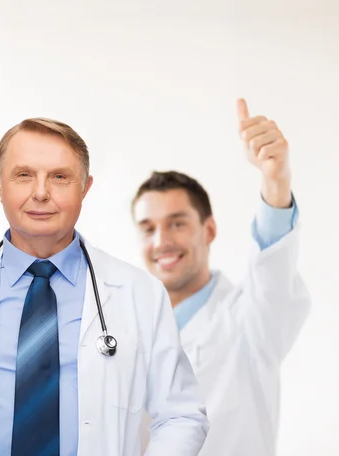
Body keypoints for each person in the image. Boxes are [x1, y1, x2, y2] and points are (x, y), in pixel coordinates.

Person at [0, 116, 210, 455]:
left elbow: (180, 416)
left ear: (85, 187)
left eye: (60, 177)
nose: (41, 193)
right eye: (23, 175)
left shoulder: (138, 293)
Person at [132, 99, 311, 456]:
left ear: (209, 230)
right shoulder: (130, 328)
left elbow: (272, 273)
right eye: (148, 228)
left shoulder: (250, 320)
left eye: (177, 223)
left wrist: (275, 181)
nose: (161, 241)